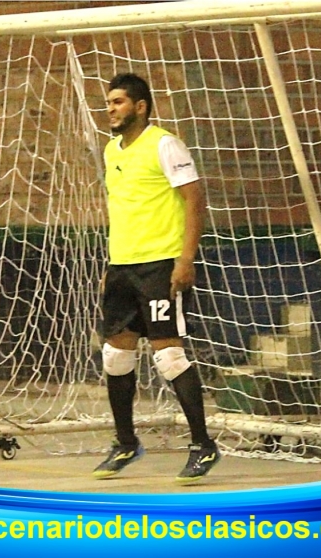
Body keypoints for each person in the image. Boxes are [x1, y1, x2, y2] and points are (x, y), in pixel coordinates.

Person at [92, 73, 220, 484]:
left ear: (140, 106)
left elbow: (194, 198)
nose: (110, 109)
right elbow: (123, 210)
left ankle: (203, 445)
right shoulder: (112, 149)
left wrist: (186, 259)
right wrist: (111, 267)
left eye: (118, 102)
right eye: (109, 102)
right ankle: (126, 442)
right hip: (123, 266)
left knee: (168, 355)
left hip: (161, 265)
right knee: (116, 355)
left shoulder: (165, 144)